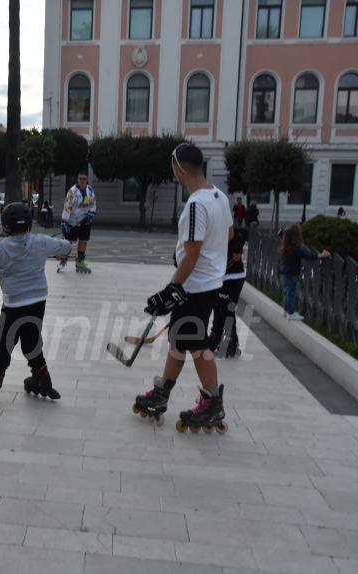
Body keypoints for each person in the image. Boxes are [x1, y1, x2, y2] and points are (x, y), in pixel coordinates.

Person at [132, 143, 233, 433]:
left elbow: (192, 253)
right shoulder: (218, 196)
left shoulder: (196, 204)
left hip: (195, 285)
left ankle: (213, 403)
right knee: (180, 341)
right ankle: (163, 392)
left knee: (197, 346)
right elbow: (227, 234)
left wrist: (171, 288)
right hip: (208, 282)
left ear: (179, 168)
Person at [0, 202, 71, 406]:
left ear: (5, 225)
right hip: (38, 301)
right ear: (30, 223)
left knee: (5, 344)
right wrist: (55, 250)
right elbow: (66, 246)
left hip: (13, 305)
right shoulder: (41, 242)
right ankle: (43, 380)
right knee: (31, 341)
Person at [208, 228, 247, 358]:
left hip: (233, 277)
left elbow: (240, 234)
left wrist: (238, 247)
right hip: (220, 278)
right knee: (217, 307)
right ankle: (215, 339)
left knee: (227, 309)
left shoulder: (229, 229)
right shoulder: (213, 232)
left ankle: (231, 344)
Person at [279, 224, 330, 321]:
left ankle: (285, 310)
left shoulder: (285, 246)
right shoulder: (295, 248)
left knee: (286, 292)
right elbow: (308, 256)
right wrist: (320, 255)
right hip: (292, 274)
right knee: (291, 293)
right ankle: (290, 313)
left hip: (284, 273)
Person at [59, 170, 97, 274]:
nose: (82, 181)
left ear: (87, 180)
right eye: (80, 179)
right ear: (77, 179)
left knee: (83, 241)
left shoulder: (90, 190)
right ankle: (63, 260)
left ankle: (80, 261)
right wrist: (64, 222)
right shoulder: (72, 191)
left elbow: (93, 204)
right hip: (73, 221)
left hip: (85, 221)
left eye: (84, 179)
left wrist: (91, 214)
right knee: (68, 242)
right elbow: (67, 206)